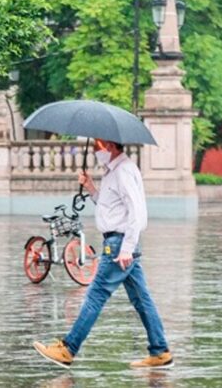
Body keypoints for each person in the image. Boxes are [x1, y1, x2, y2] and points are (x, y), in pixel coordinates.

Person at [33, 138, 172, 370]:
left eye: (98, 146)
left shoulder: (124, 171)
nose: (96, 150)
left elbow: (136, 211)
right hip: (120, 241)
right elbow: (111, 207)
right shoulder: (113, 171)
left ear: (111, 146)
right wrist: (90, 188)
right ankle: (160, 351)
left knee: (96, 295)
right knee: (141, 299)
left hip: (119, 244)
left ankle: (68, 348)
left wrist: (127, 248)